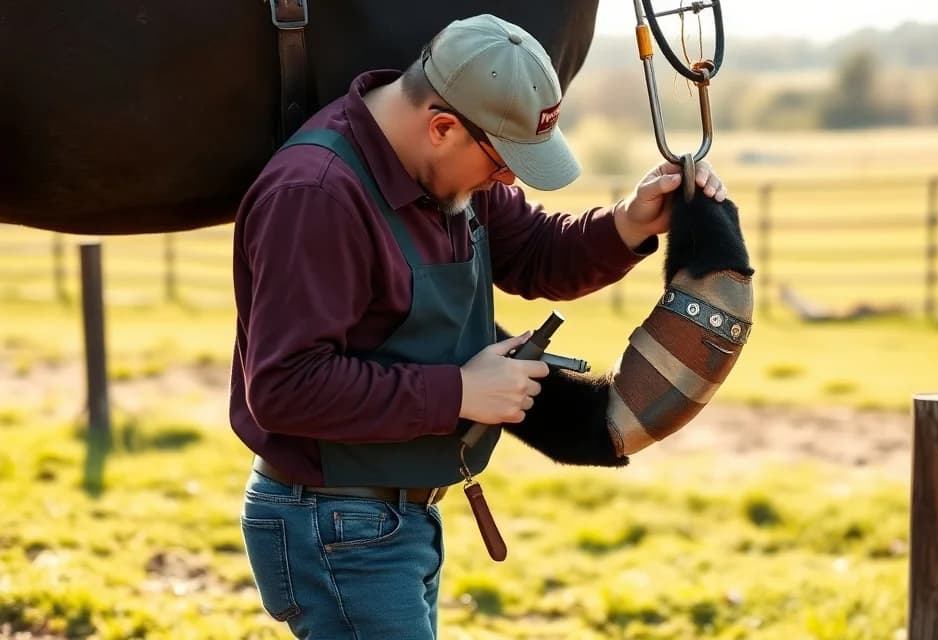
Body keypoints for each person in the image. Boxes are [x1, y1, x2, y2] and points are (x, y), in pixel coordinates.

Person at [230, 13, 726, 639]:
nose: (509, 179)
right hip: (334, 522)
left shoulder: (449, 168)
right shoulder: (316, 195)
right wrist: (460, 393)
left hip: (392, 513)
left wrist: (630, 222)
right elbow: (284, 388)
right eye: (503, 163)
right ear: (442, 126)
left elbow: (536, 252)